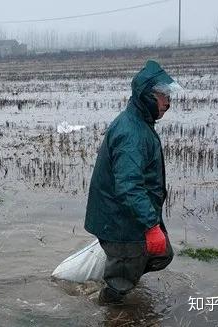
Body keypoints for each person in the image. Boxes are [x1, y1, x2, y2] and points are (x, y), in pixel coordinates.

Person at [84, 60, 180, 305]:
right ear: (147, 97)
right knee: (120, 285)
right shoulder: (132, 133)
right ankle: (107, 307)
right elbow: (129, 186)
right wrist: (151, 226)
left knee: (163, 255)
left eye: (169, 96)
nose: (168, 103)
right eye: (162, 96)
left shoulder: (139, 123)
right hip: (122, 224)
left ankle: (121, 271)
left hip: (128, 219)